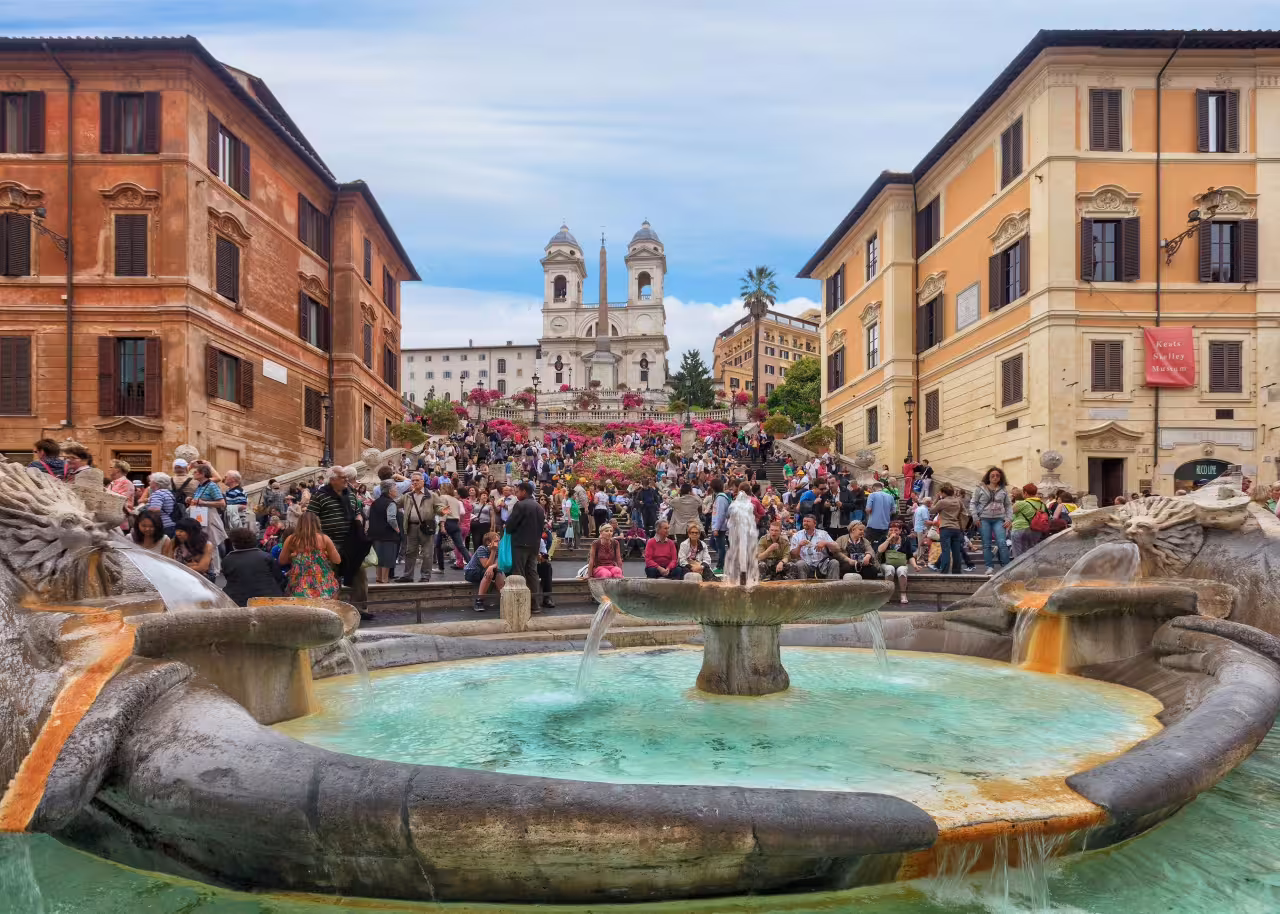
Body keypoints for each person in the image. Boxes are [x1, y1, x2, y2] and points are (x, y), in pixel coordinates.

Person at [308, 466, 369, 606]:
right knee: (331, 576)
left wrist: (359, 520)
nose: (346, 479)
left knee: (360, 575)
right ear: (333, 479)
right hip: (329, 543)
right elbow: (310, 519)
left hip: (351, 543)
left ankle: (360, 609)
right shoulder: (319, 495)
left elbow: (357, 512)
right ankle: (334, 608)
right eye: (343, 477)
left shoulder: (351, 494)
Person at [506, 481, 550, 609]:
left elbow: (510, 525)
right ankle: (534, 604)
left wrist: (507, 527)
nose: (516, 494)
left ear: (524, 491)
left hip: (520, 543)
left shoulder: (520, 505)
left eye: (518, 491)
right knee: (532, 573)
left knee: (518, 572)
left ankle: (521, 604)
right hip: (534, 544)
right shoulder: (539, 507)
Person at [279, 511, 342, 599]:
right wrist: (326, 555)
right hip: (322, 584)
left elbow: (282, 561)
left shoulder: (291, 539)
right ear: (316, 523)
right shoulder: (324, 539)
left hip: (299, 585)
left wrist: (295, 557)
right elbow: (337, 560)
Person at [220, 526, 284, 606]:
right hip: (269, 599)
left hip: (239, 601)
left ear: (234, 543)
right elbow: (279, 577)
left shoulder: (227, 560)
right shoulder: (266, 557)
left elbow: (228, 578)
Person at [969, 467, 1013, 574]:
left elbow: (1008, 505)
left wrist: (1009, 519)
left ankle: (1006, 566)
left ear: (1000, 477)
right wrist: (975, 517)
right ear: (988, 477)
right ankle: (989, 566)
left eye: (997, 475)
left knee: (1002, 543)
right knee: (986, 544)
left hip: (999, 519)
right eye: (992, 475)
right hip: (984, 519)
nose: (995, 477)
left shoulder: (1003, 490)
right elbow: (973, 503)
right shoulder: (980, 488)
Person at [396, 473, 437, 583]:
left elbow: (439, 506)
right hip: (411, 526)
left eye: (417, 480)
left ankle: (425, 576)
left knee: (427, 553)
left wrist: (443, 511)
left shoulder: (432, 495)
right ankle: (408, 575)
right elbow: (396, 504)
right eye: (413, 480)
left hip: (426, 527)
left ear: (423, 481)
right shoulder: (408, 495)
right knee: (410, 552)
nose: (414, 482)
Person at [188, 463, 228, 576]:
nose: (194, 474)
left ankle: (214, 571)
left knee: (211, 544)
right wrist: (191, 499)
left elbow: (221, 503)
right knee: (203, 542)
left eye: (195, 472)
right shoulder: (200, 486)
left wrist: (203, 502)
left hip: (209, 516)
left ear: (203, 474)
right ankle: (207, 567)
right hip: (201, 516)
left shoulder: (211, 485)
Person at [366, 483, 401, 584]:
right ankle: (384, 580)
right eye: (395, 489)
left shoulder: (375, 502)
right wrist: (397, 529)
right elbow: (391, 519)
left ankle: (379, 578)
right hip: (388, 535)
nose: (397, 491)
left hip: (375, 534)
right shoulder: (391, 503)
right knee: (387, 558)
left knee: (379, 557)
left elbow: (368, 516)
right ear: (390, 491)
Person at [931, 484, 968, 575]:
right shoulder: (958, 501)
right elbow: (965, 513)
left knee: (946, 551)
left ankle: (944, 571)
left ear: (943, 492)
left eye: (940, 492)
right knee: (956, 552)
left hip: (945, 528)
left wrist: (936, 498)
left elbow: (932, 510)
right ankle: (956, 571)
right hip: (956, 528)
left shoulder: (942, 502)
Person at [789, 514, 840, 579]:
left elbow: (837, 548)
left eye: (808, 521)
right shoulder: (797, 535)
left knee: (834, 562)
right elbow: (793, 555)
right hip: (806, 564)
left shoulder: (823, 534)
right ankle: (802, 588)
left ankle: (833, 587)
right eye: (804, 521)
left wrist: (826, 543)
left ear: (815, 524)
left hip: (822, 564)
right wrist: (799, 546)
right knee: (800, 564)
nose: (805, 523)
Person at [465, 531, 505, 611]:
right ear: (488, 542)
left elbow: (497, 564)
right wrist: (493, 551)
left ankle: (505, 598)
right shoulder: (482, 549)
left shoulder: (498, 550)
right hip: (471, 572)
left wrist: (491, 567)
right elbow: (486, 565)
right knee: (489, 572)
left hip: (485, 571)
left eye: (498, 541)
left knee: (499, 572)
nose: (498, 543)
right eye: (496, 541)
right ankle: (479, 601)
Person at [877, 522, 912, 605]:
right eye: (891, 530)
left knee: (902, 570)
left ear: (900, 531)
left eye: (896, 530)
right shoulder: (883, 538)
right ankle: (887, 594)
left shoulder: (905, 540)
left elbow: (910, 555)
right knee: (890, 568)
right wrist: (889, 539)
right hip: (886, 563)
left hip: (901, 564)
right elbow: (880, 550)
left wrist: (915, 565)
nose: (893, 532)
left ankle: (903, 594)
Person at [1011, 481, 1046, 557]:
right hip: (1036, 531)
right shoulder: (1042, 504)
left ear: (1025, 493)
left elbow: (1009, 513)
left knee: (1018, 556)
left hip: (1020, 529)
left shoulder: (1021, 503)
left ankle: (1020, 568)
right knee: (1031, 554)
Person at [864, 482, 895, 551]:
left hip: (873, 525)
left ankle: (871, 559)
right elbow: (894, 511)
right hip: (885, 525)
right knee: (882, 545)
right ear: (882, 488)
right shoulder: (890, 497)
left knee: (869, 545)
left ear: (873, 488)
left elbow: (868, 509)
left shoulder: (872, 495)